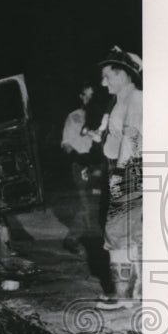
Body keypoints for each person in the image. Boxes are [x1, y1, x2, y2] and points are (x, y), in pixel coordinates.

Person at [95, 46, 143, 309]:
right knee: (129, 235)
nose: (103, 83)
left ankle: (123, 296)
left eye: (108, 76)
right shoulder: (121, 101)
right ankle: (132, 294)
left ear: (124, 75)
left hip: (129, 173)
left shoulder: (135, 100)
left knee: (117, 234)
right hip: (125, 172)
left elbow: (134, 140)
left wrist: (123, 176)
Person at [60, 83, 106, 253]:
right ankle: (95, 244)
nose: (89, 99)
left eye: (92, 96)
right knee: (87, 203)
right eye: (86, 96)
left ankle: (73, 238)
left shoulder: (101, 116)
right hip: (81, 165)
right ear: (81, 96)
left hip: (98, 163)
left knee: (94, 203)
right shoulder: (74, 117)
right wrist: (76, 156)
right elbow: (66, 143)